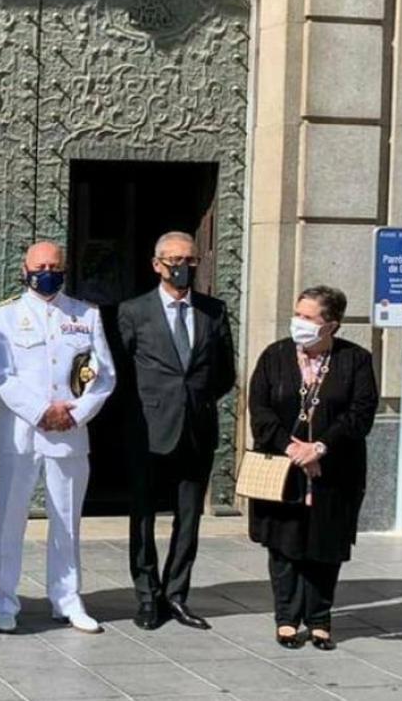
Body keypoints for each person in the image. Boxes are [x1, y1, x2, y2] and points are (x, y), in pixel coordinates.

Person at [0, 241, 115, 635]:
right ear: (24, 269)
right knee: (9, 520)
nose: (47, 271)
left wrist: (74, 413)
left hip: (69, 435)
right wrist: (42, 411)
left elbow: (102, 374)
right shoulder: (4, 315)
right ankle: (3, 601)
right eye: (40, 265)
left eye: (55, 265)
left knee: (67, 520)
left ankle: (67, 598)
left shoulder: (85, 314)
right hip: (22, 434)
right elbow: (0, 374)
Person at [118, 231, 236, 631]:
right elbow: (119, 372)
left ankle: (177, 595)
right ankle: (147, 595)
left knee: (188, 518)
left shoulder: (214, 310)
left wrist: (195, 400)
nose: (182, 267)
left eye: (190, 260)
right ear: (157, 264)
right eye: (174, 260)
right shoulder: (132, 312)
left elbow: (224, 373)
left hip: (196, 428)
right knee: (144, 517)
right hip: (149, 429)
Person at [248, 286, 377, 650]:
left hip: (336, 468)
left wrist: (320, 448)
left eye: (308, 318)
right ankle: (287, 618)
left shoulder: (356, 360)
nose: (298, 323)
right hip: (282, 465)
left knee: (326, 544)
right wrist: (292, 449)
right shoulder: (274, 356)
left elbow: (361, 412)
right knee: (284, 544)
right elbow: (259, 408)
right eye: (297, 314)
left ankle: (319, 618)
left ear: (330, 325)